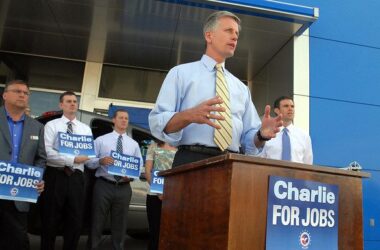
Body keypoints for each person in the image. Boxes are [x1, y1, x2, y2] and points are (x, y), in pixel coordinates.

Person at [149, 10, 282, 167]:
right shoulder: (180, 73)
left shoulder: (241, 88)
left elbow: (248, 141)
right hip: (191, 160)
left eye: (237, 34)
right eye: (228, 31)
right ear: (209, 36)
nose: (235, 37)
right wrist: (189, 115)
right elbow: (158, 122)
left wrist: (261, 135)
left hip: (232, 163)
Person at [40, 91, 93, 250]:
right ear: (61, 104)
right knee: (50, 220)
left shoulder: (85, 129)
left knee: (75, 221)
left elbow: (89, 154)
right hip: (56, 176)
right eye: (68, 101)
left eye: (75, 101)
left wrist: (85, 158)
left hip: (77, 178)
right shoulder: (52, 125)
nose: (72, 104)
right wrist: (73, 159)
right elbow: (47, 153)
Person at [87, 109, 143, 250]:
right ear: (114, 120)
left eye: (126, 118)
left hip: (124, 187)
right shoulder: (101, 140)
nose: (124, 120)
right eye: (121, 118)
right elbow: (88, 162)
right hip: (103, 185)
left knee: (120, 224)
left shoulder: (134, 144)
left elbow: (138, 166)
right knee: (97, 222)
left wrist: (130, 176)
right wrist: (101, 161)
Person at [0, 79, 46, 250]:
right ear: (5, 95)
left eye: (26, 93)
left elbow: (41, 158)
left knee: (18, 241)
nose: (22, 95)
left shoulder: (37, 127)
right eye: (17, 91)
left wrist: (38, 177)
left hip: (19, 196)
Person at [259, 96, 313, 164]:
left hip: (296, 174)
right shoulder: (267, 134)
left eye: (292, 106)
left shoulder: (304, 136)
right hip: (271, 173)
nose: (290, 109)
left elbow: (308, 164)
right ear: (277, 110)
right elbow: (259, 159)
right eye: (286, 106)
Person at [145, 140, 177, 250]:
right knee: (155, 232)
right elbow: (148, 171)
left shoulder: (180, 146)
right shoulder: (153, 145)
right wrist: (159, 191)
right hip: (154, 195)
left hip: (174, 196)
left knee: (171, 232)